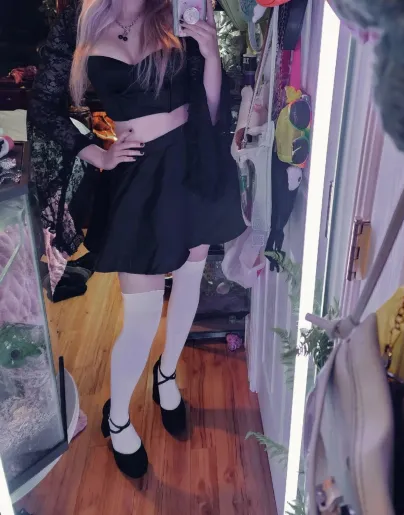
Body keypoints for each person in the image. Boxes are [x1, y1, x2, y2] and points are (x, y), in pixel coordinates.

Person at [28, 0, 246, 478]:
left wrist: (210, 55)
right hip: (136, 175)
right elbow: (44, 107)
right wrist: (97, 154)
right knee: (142, 315)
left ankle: (166, 375)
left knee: (188, 279)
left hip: (190, 164)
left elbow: (210, 109)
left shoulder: (173, 12)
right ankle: (119, 416)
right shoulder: (81, 20)